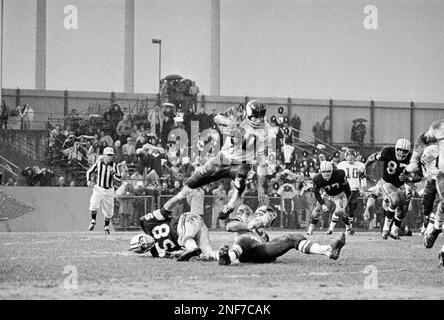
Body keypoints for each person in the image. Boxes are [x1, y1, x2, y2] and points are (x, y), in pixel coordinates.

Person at [146, 100, 275, 224]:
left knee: (240, 183)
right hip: (223, 158)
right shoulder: (237, 115)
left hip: (242, 162)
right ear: (247, 114)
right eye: (255, 117)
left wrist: (260, 187)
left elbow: (261, 159)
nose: (258, 120)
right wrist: (230, 123)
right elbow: (217, 118)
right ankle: (165, 210)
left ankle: (230, 206)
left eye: (261, 117)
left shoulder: (268, 132)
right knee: (192, 183)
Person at [218, 205, 346, 265]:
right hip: (244, 251)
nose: (269, 221)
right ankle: (227, 258)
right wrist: (249, 226)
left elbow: (271, 255)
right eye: (268, 217)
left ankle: (329, 250)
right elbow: (229, 226)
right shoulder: (246, 219)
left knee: (292, 237)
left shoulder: (264, 235)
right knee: (244, 239)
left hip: (260, 252)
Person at [404, 120, 444, 265]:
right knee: (431, 206)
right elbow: (422, 139)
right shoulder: (437, 129)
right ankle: (433, 227)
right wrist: (414, 162)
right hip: (439, 176)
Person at [362, 138, 415, 240]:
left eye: (404, 151)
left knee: (402, 211)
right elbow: (373, 158)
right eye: (399, 150)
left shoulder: (412, 158)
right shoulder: (387, 152)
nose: (401, 153)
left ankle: (394, 231)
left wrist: (409, 178)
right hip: (387, 183)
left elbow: (419, 176)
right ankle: (386, 229)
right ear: (395, 149)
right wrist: (364, 167)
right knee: (394, 201)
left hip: (401, 186)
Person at [130, 210, 218, 261]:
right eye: (143, 246)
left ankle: (193, 248)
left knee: (184, 238)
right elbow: (179, 251)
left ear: (140, 235)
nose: (146, 242)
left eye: (141, 240)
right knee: (207, 254)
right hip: (195, 231)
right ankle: (225, 255)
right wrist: (176, 254)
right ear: (145, 250)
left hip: (187, 220)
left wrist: (179, 196)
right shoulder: (157, 252)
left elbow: (164, 210)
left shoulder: (145, 222)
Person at [306, 161, 351, 235]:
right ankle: (310, 228)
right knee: (316, 211)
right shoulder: (317, 179)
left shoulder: (340, 174)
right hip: (327, 194)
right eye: (323, 172)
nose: (326, 173)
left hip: (339, 195)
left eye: (328, 171)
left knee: (340, 212)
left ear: (332, 170)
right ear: (320, 171)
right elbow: (316, 193)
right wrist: (323, 205)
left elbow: (347, 188)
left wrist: (347, 199)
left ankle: (349, 227)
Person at [86, 147, 122, 234]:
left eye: (111, 155)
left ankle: (106, 227)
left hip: (109, 189)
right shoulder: (98, 164)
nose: (110, 157)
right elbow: (89, 172)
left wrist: (113, 172)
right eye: (108, 155)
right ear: (104, 155)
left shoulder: (115, 165)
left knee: (109, 210)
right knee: (93, 204)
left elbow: (119, 178)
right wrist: (88, 180)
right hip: (98, 188)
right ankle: (93, 220)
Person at [336, 148, 366, 235]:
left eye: (352, 155)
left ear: (355, 156)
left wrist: (363, 189)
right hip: (344, 190)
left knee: (352, 210)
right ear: (345, 156)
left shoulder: (360, 165)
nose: (350, 157)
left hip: (354, 190)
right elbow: (338, 178)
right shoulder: (341, 165)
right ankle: (346, 228)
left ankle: (349, 228)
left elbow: (362, 178)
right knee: (343, 209)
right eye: (348, 155)